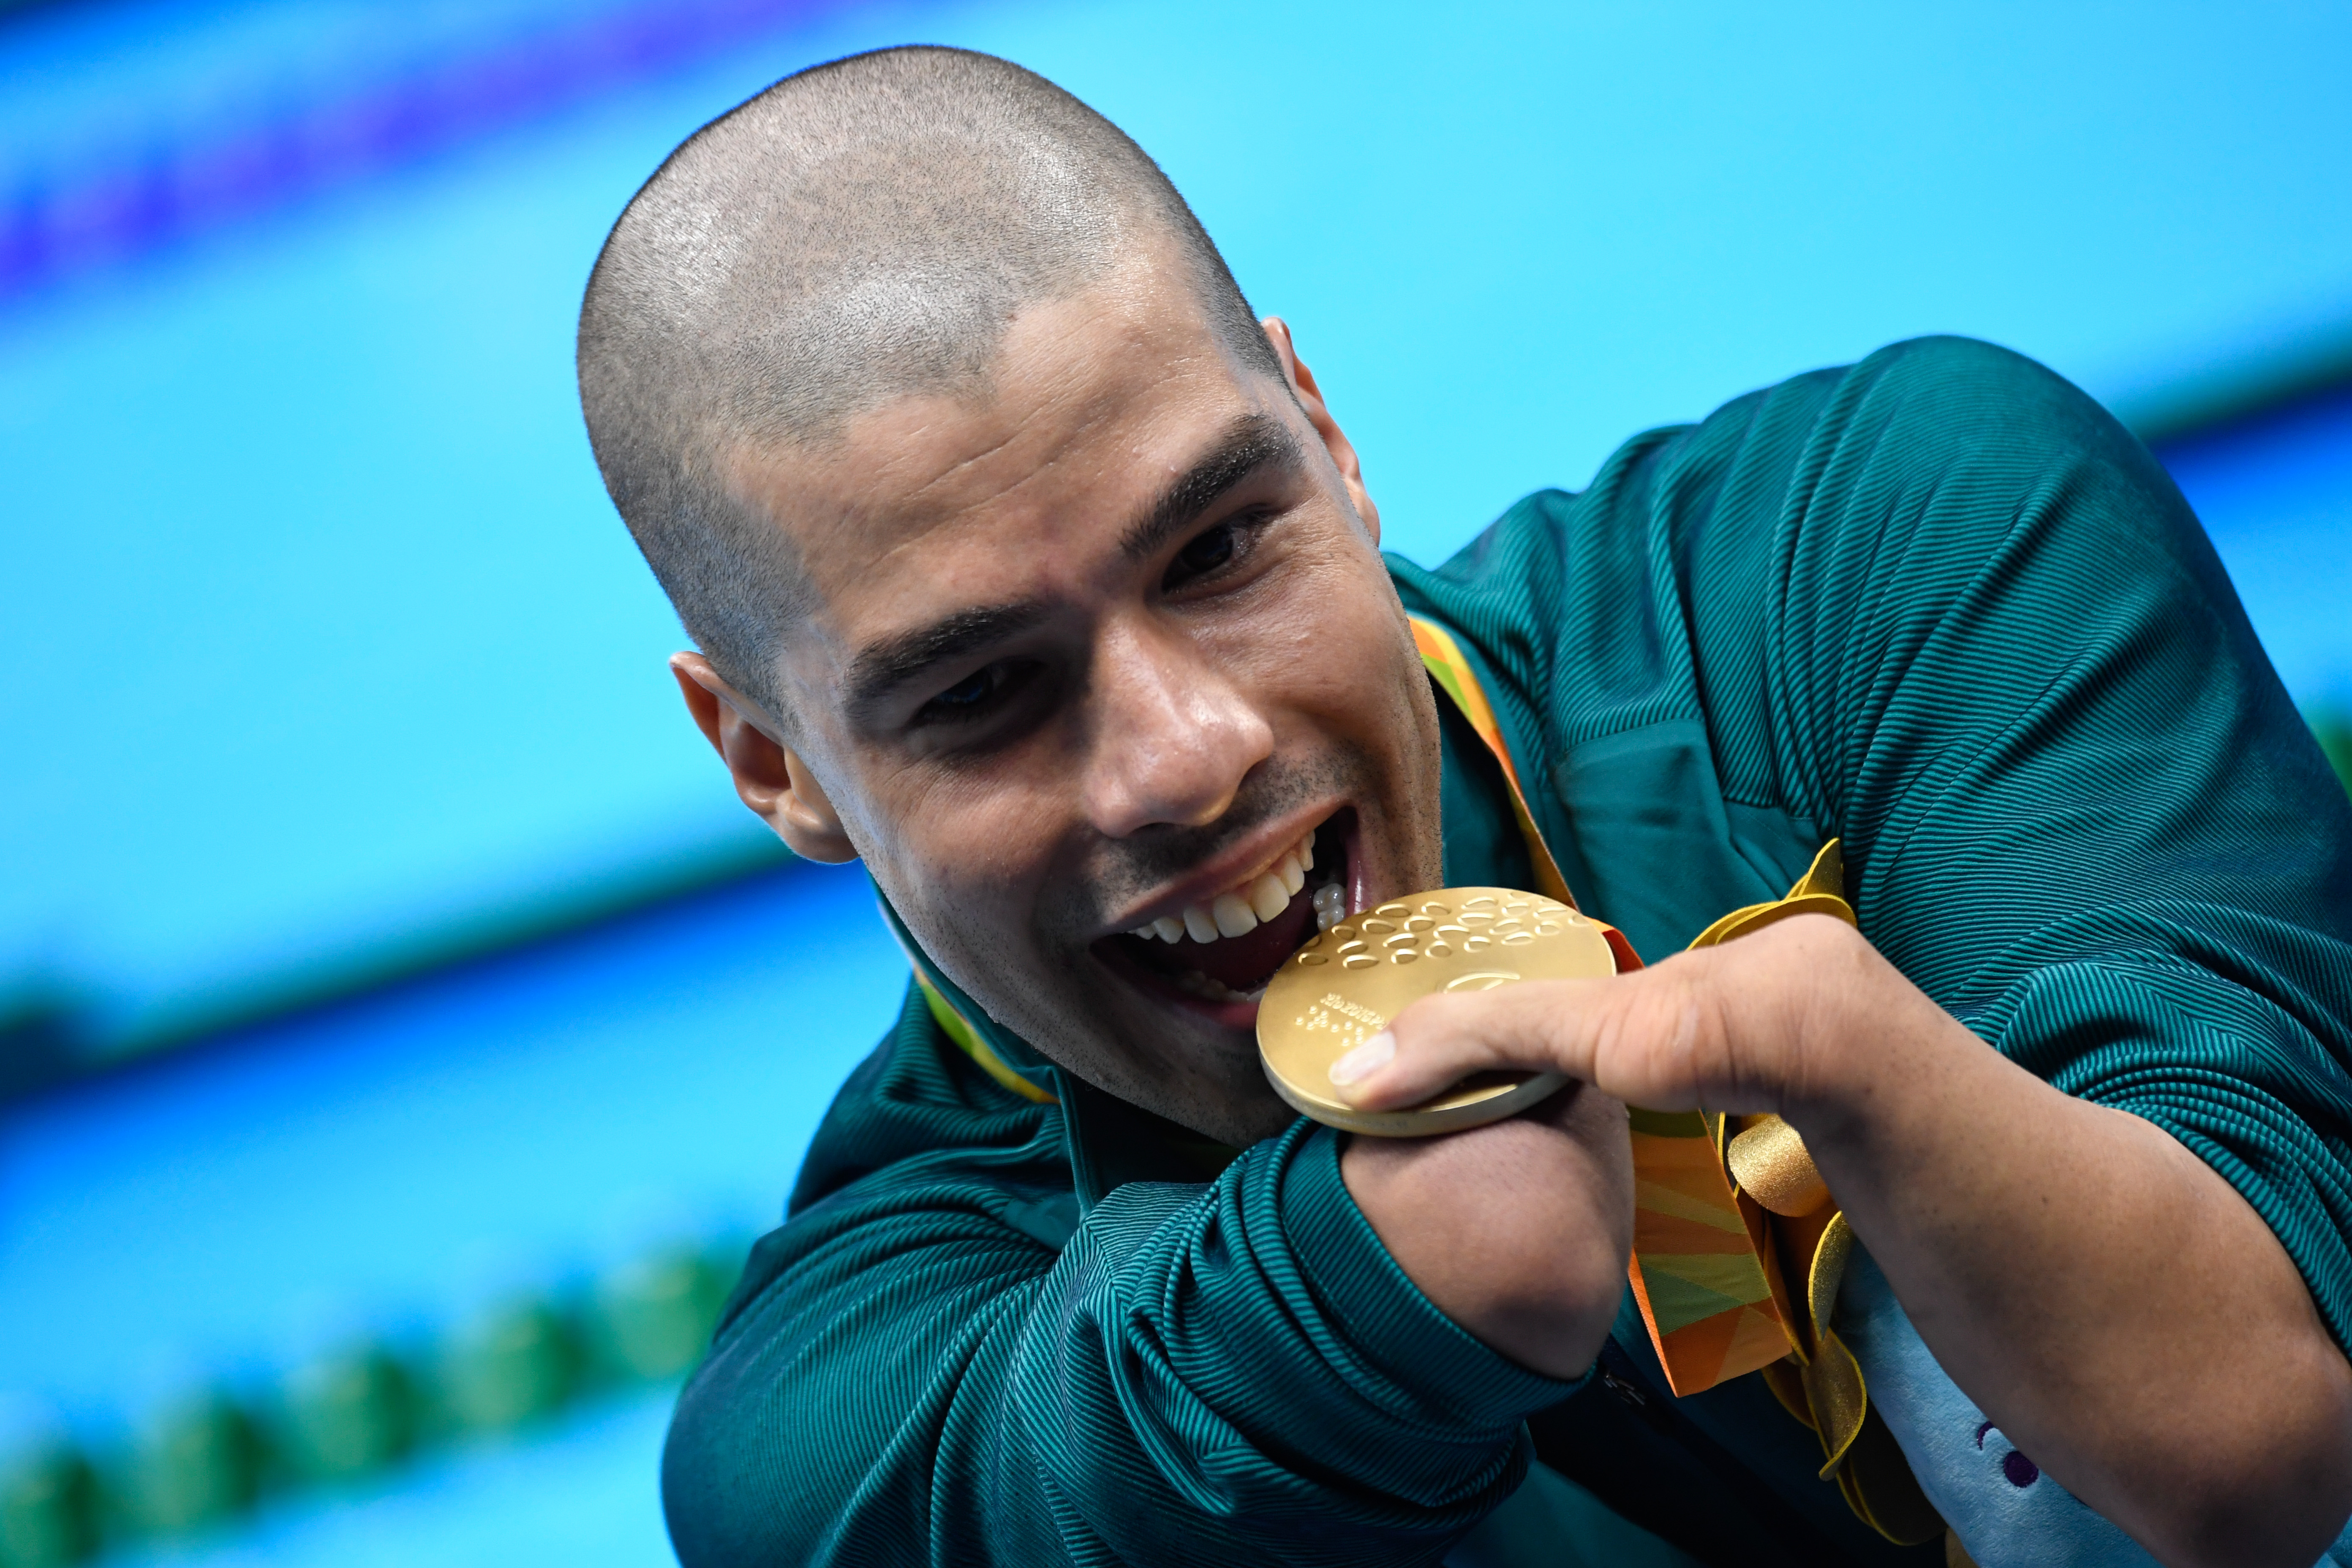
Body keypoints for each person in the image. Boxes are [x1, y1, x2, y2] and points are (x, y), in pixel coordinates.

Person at [574, 44, 2352, 1568]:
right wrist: (1369, 1283)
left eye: (1220, 548)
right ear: (770, 761)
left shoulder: (1867, 566)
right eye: (983, 692)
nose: (1185, 753)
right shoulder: (847, 1389)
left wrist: (1859, 1062)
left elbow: (2259, 1442)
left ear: (1327, 437)